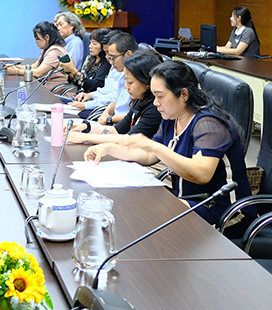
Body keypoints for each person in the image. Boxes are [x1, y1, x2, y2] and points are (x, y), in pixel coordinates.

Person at [83, 60, 251, 226]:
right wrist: (109, 149)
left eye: (160, 96)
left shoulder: (209, 124)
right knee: (133, 209)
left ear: (183, 94)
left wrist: (154, 146)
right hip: (189, 200)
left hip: (224, 211)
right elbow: (149, 155)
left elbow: (201, 174)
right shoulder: (172, 117)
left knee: (144, 218)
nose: (155, 102)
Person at [67, 49, 163, 144]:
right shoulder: (141, 99)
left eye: (130, 82)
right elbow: (116, 130)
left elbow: (128, 140)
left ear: (147, 82)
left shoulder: (154, 108)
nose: (125, 86)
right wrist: (85, 127)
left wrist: (85, 137)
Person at [69, 32, 138, 123]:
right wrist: (105, 113)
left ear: (128, 54)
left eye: (112, 56)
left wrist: (108, 119)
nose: (109, 59)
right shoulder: (119, 69)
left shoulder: (134, 75)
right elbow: (114, 98)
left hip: (116, 120)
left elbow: (131, 116)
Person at [4, 21, 69, 86]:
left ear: (47, 37)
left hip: (57, 88)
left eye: (38, 39)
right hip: (49, 86)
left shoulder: (55, 51)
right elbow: (35, 66)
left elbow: (38, 73)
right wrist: (15, 66)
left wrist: (17, 71)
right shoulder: (47, 48)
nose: (36, 42)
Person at [60, 27, 112, 94]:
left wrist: (74, 71)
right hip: (79, 94)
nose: (90, 46)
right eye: (90, 43)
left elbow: (96, 86)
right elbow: (79, 81)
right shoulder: (90, 58)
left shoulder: (107, 62)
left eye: (94, 43)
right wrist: (70, 72)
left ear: (104, 46)